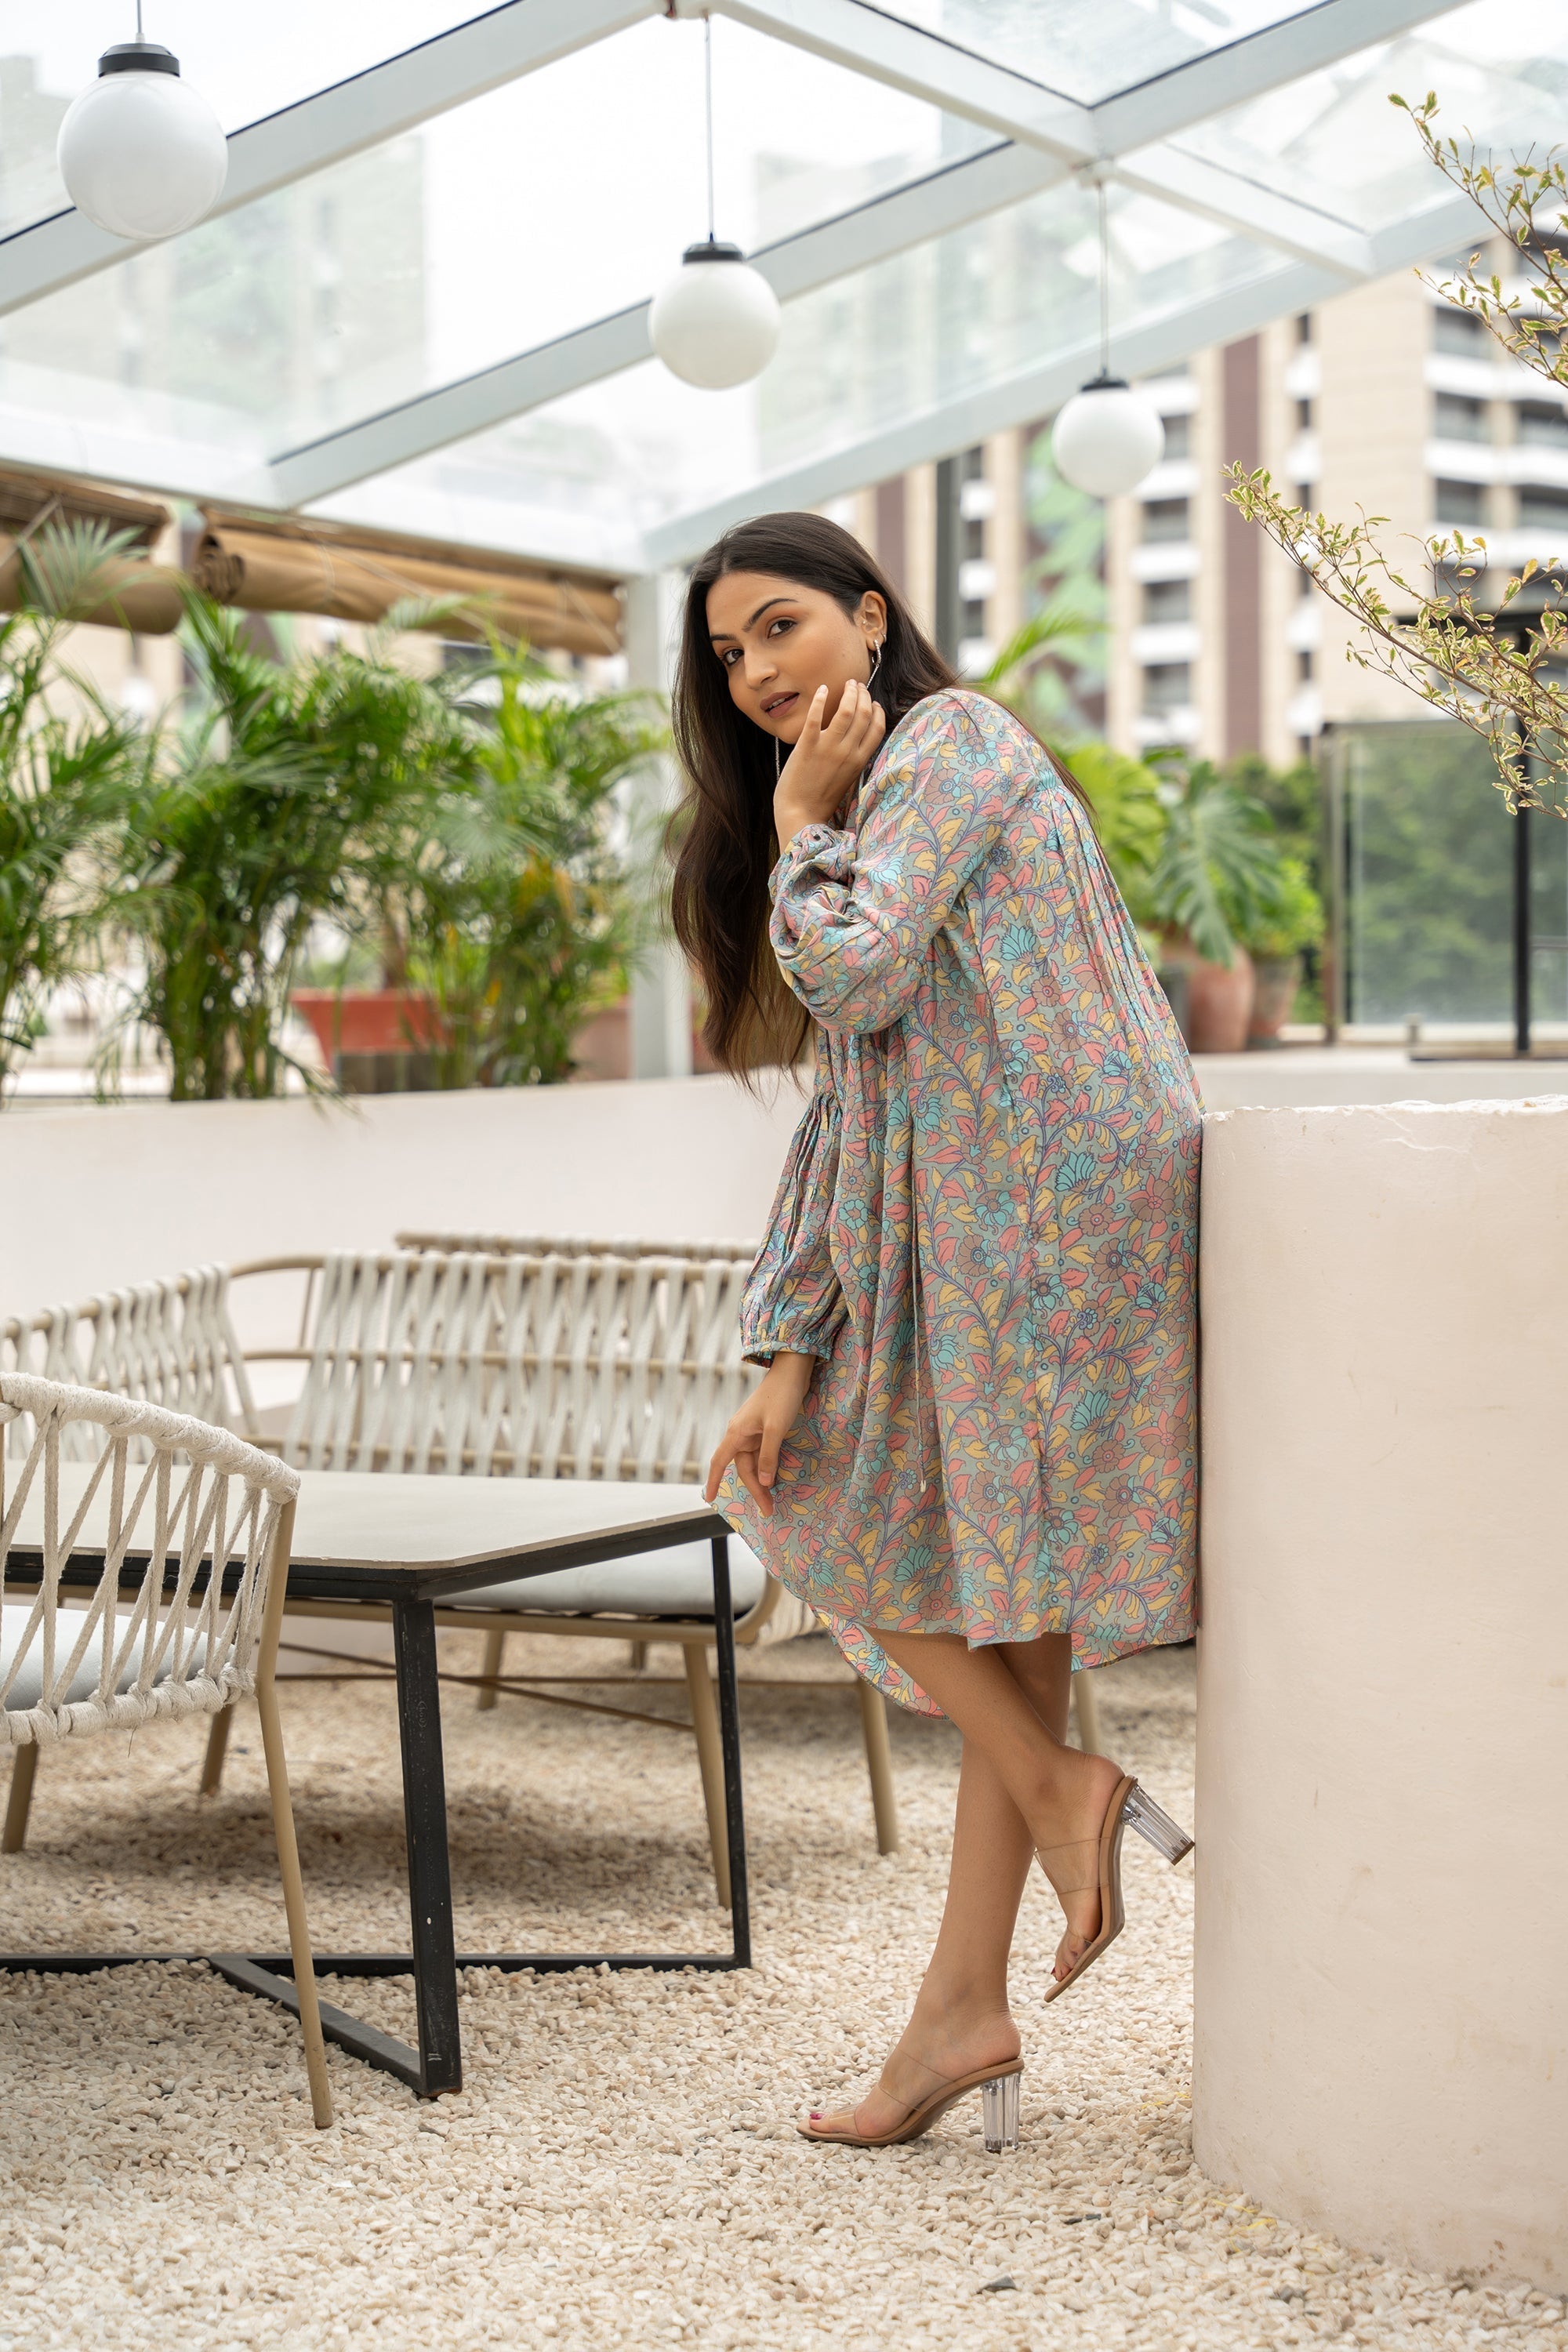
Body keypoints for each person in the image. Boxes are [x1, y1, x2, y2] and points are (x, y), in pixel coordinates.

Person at [671, 511, 1199, 2152]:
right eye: (729, 653)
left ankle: (1057, 1800)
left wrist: (799, 819)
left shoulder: (953, 742)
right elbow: (852, 1099)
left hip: (1053, 1206)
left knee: (822, 1505)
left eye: (778, 629)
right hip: (980, 1218)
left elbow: (860, 972)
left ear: (869, 613)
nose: (756, 671)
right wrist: (787, 1352)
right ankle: (958, 2015)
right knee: (995, 1594)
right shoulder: (874, 795)